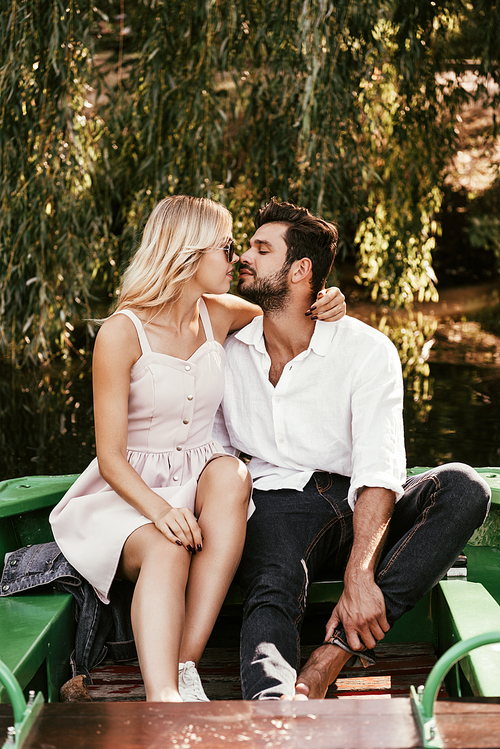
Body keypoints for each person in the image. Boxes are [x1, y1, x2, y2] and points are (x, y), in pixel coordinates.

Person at [49, 195, 346, 703]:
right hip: (127, 493)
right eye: (227, 248)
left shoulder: (219, 313)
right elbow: (110, 456)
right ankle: (164, 698)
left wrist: (328, 298)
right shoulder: (122, 333)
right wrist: (161, 511)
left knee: (232, 473)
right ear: (189, 254)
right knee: (168, 546)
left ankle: (185, 664)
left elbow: (286, 308)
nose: (237, 260)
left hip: (198, 475)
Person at [213, 197, 492, 701]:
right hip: (275, 498)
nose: (243, 258)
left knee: (463, 488)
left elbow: (379, 470)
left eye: (260, 248)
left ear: (300, 270)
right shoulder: (227, 349)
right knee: (273, 586)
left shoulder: (366, 350)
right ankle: (275, 711)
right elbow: (213, 447)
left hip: (359, 498)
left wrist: (360, 574)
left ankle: (329, 657)